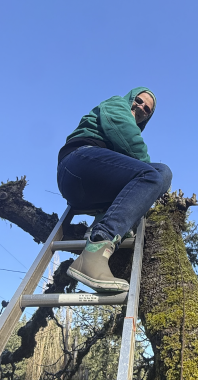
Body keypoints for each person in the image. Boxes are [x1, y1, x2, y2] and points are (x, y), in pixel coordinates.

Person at [57, 87, 172, 293]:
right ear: (130, 99)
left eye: (147, 109)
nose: (141, 106)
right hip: (78, 163)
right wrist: (151, 184)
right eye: (139, 100)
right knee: (153, 175)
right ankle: (97, 247)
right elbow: (126, 133)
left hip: (93, 190)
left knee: (163, 172)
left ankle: (99, 229)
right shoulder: (116, 105)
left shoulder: (122, 152)